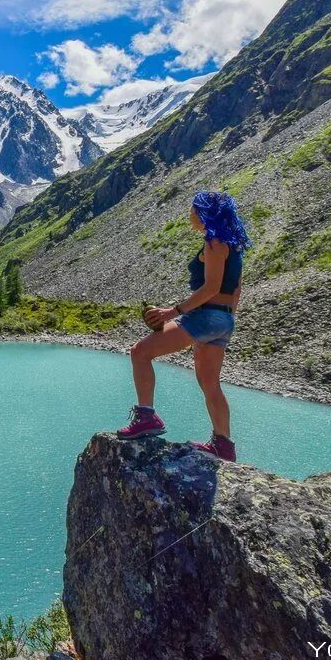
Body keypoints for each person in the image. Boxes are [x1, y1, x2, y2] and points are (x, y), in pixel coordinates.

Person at [114, 191, 251, 462]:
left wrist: (172, 312)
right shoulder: (233, 246)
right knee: (210, 383)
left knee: (140, 352)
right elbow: (235, 289)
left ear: (203, 212)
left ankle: (146, 417)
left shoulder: (213, 243)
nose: (189, 214)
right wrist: (224, 322)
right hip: (224, 319)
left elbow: (211, 287)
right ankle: (223, 445)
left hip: (206, 315)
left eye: (192, 210)